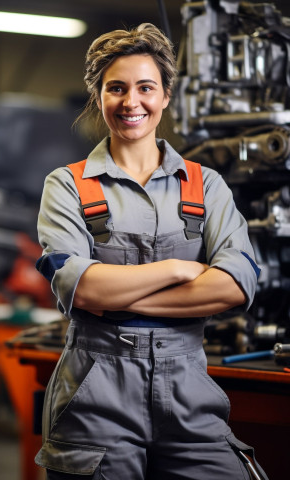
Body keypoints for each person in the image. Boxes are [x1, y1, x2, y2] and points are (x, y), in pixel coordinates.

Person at [34, 23, 267, 480]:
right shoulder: (67, 185)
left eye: (145, 87)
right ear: (99, 96)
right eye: (116, 88)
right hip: (96, 394)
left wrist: (112, 298)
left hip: (189, 391)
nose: (131, 102)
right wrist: (179, 269)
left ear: (164, 96)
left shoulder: (205, 185)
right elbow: (80, 287)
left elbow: (236, 284)